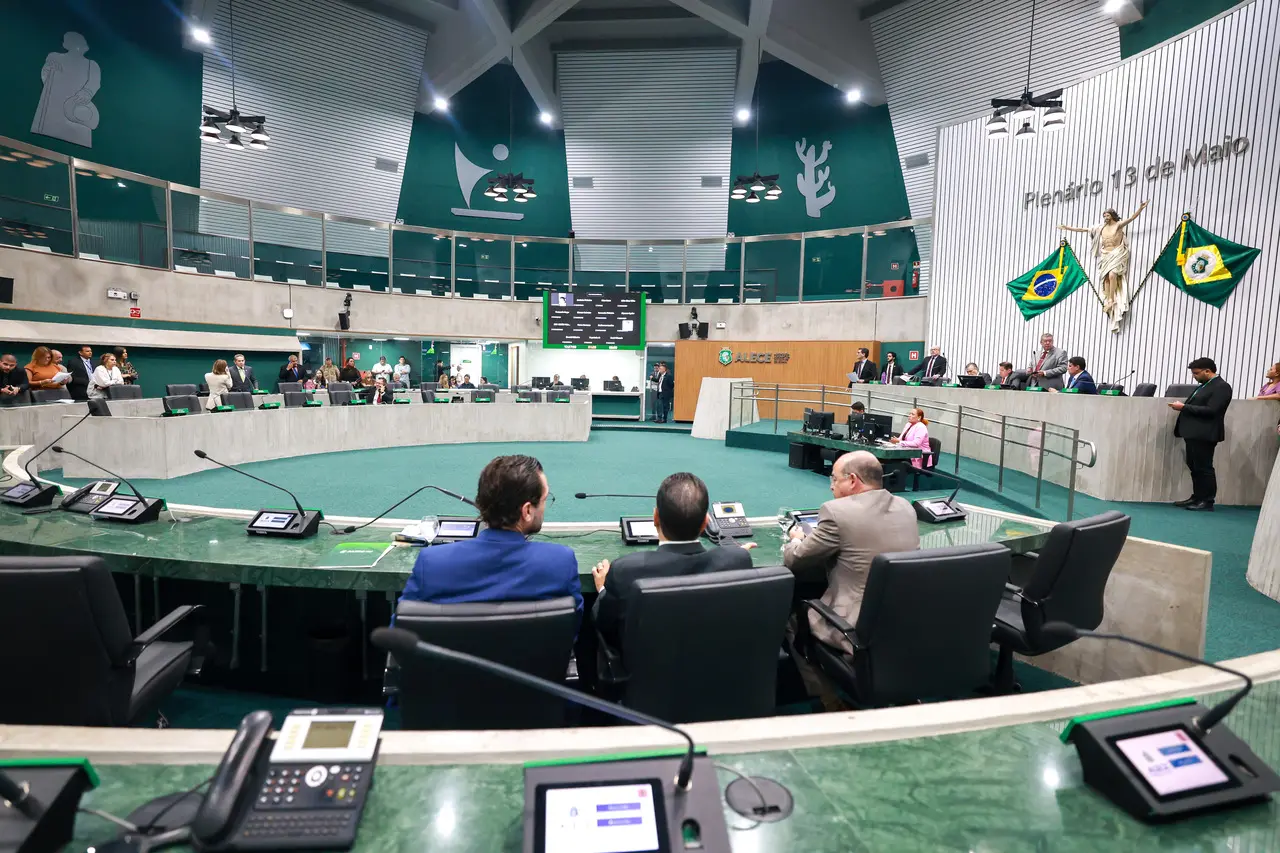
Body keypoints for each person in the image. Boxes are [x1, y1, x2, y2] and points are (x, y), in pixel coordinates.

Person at [782, 451, 919, 708]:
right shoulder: (905, 507)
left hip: (856, 628)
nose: (832, 486)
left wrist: (796, 540)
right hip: (905, 622)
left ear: (853, 481)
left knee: (791, 620)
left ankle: (829, 701)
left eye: (834, 479)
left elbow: (795, 560)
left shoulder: (835, 512)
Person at [591, 473, 754, 669]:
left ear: (655, 517)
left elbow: (602, 622)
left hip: (649, 688)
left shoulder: (625, 570)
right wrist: (731, 554)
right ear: (706, 523)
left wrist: (602, 589)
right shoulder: (738, 559)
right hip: (720, 680)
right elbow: (732, 560)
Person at [397, 455, 581, 619]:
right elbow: (570, 630)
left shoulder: (431, 563)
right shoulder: (560, 563)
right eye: (544, 499)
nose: (545, 506)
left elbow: (401, 633)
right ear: (526, 511)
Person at [1060, 201, 1148, 332]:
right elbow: (1084, 229)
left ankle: (1112, 299)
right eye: (1104, 216)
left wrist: (1140, 209)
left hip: (1116, 253)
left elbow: (1131, 218)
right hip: (1105, 255)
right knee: (1106, 278)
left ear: (1112, 216)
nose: (1105, 218)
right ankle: (1109, 299)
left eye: (1107, 215)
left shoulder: (1118, 225)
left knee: (1113, 275)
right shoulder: (1100, 228)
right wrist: (1067, 228)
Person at [1170, 357, 1232, 512]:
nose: (1194, 376)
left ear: (1208, 371)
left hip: (1205, 433)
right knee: (1194, 466)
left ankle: (1207, 500)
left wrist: (1184, 407)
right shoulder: (1205, 385)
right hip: (1194, 433)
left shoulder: (1221, 387)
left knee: (1204, 468)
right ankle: (1197, 497)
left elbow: (1212, 411)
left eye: (1196, 373)